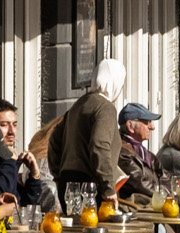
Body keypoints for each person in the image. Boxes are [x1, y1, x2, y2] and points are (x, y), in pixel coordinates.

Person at [49, 57, 129, 198]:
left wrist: (60, 176)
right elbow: (99, 145)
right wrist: (108, 188)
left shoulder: (78, 105)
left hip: (67, 183)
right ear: (115, 82)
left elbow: (54, 141)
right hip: (91, 187)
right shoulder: (105, 108)